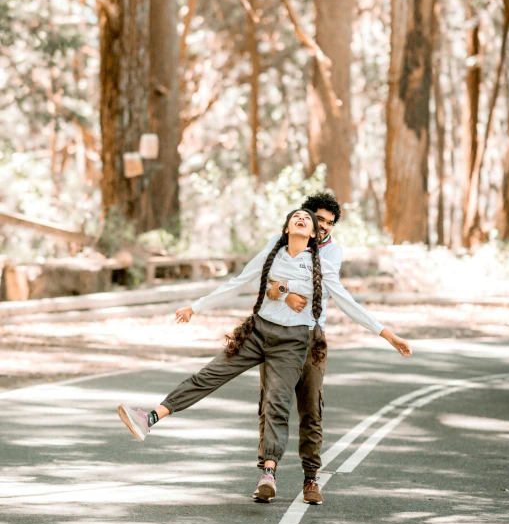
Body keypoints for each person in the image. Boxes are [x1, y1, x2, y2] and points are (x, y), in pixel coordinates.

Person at [118, 209, 412, 503]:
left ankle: (268, 473)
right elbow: (238, 282)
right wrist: (195, 307)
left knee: (276, 403)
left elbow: (348, 302)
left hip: (293, 341)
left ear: (312, 234)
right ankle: (151, 417)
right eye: (296, 216)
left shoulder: (320, 265)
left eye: (306, 220)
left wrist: (387, 334)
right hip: (257, 332)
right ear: (286, 227)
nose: (301, 219)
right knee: (209, 375)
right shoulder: (272, 254)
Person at [256, 191, 343, 505]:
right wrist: (281, 289)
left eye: (329, 224)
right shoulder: (279, 244)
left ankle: (311, 479)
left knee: (311, 410)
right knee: (271, 406)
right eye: (318, 219)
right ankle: (268, 473)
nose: (322, 227)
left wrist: (283, 287)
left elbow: (314, 287)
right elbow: (262, 282)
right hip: (275, 336)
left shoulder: (332, 253)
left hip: (311, 339)